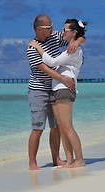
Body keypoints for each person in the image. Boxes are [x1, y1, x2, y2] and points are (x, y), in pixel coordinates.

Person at [26, 15, 85, 170]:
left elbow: (78, 35)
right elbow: (46, 68)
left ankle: (57, 159)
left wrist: (78, 40)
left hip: (56, 88)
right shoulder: (32, 48)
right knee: (38, 128)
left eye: (52, 26)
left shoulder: (55, 37)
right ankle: (32, 163)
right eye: (49, 27)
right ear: (39, 29)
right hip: (38, 89)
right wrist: (64, 79)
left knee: (57, 127)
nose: (53, 29)